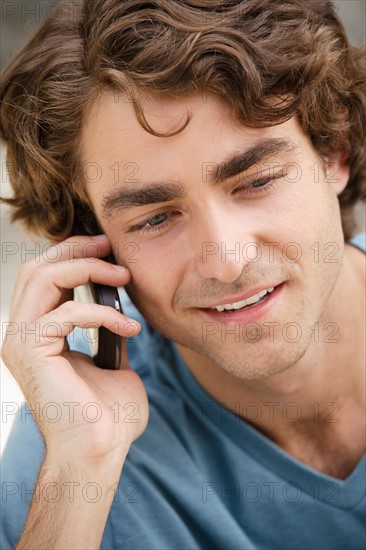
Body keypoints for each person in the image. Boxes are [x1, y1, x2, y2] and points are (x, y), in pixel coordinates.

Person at [0, 0, 365, 548]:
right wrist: (82, 470)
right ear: (90, 248)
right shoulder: (69, 446)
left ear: (335, 152)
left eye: (257, 181)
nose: (227, 260)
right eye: (154, 219)